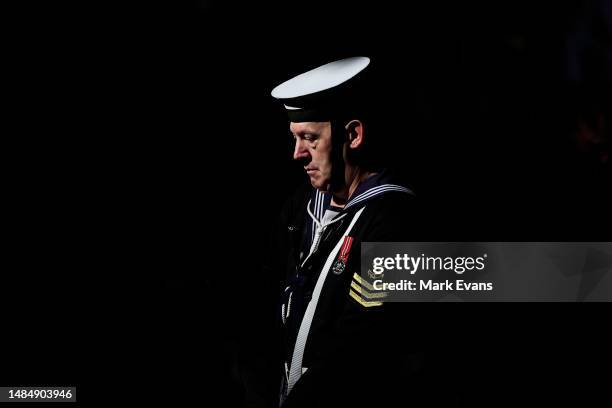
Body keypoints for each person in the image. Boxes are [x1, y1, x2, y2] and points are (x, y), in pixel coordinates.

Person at [265, 57, 449, 408]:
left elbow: (359, 344)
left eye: (310, 138)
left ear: (353, 135)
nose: (297, 154)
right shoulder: (299, 210)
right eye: (294, 138)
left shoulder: (394, 222)